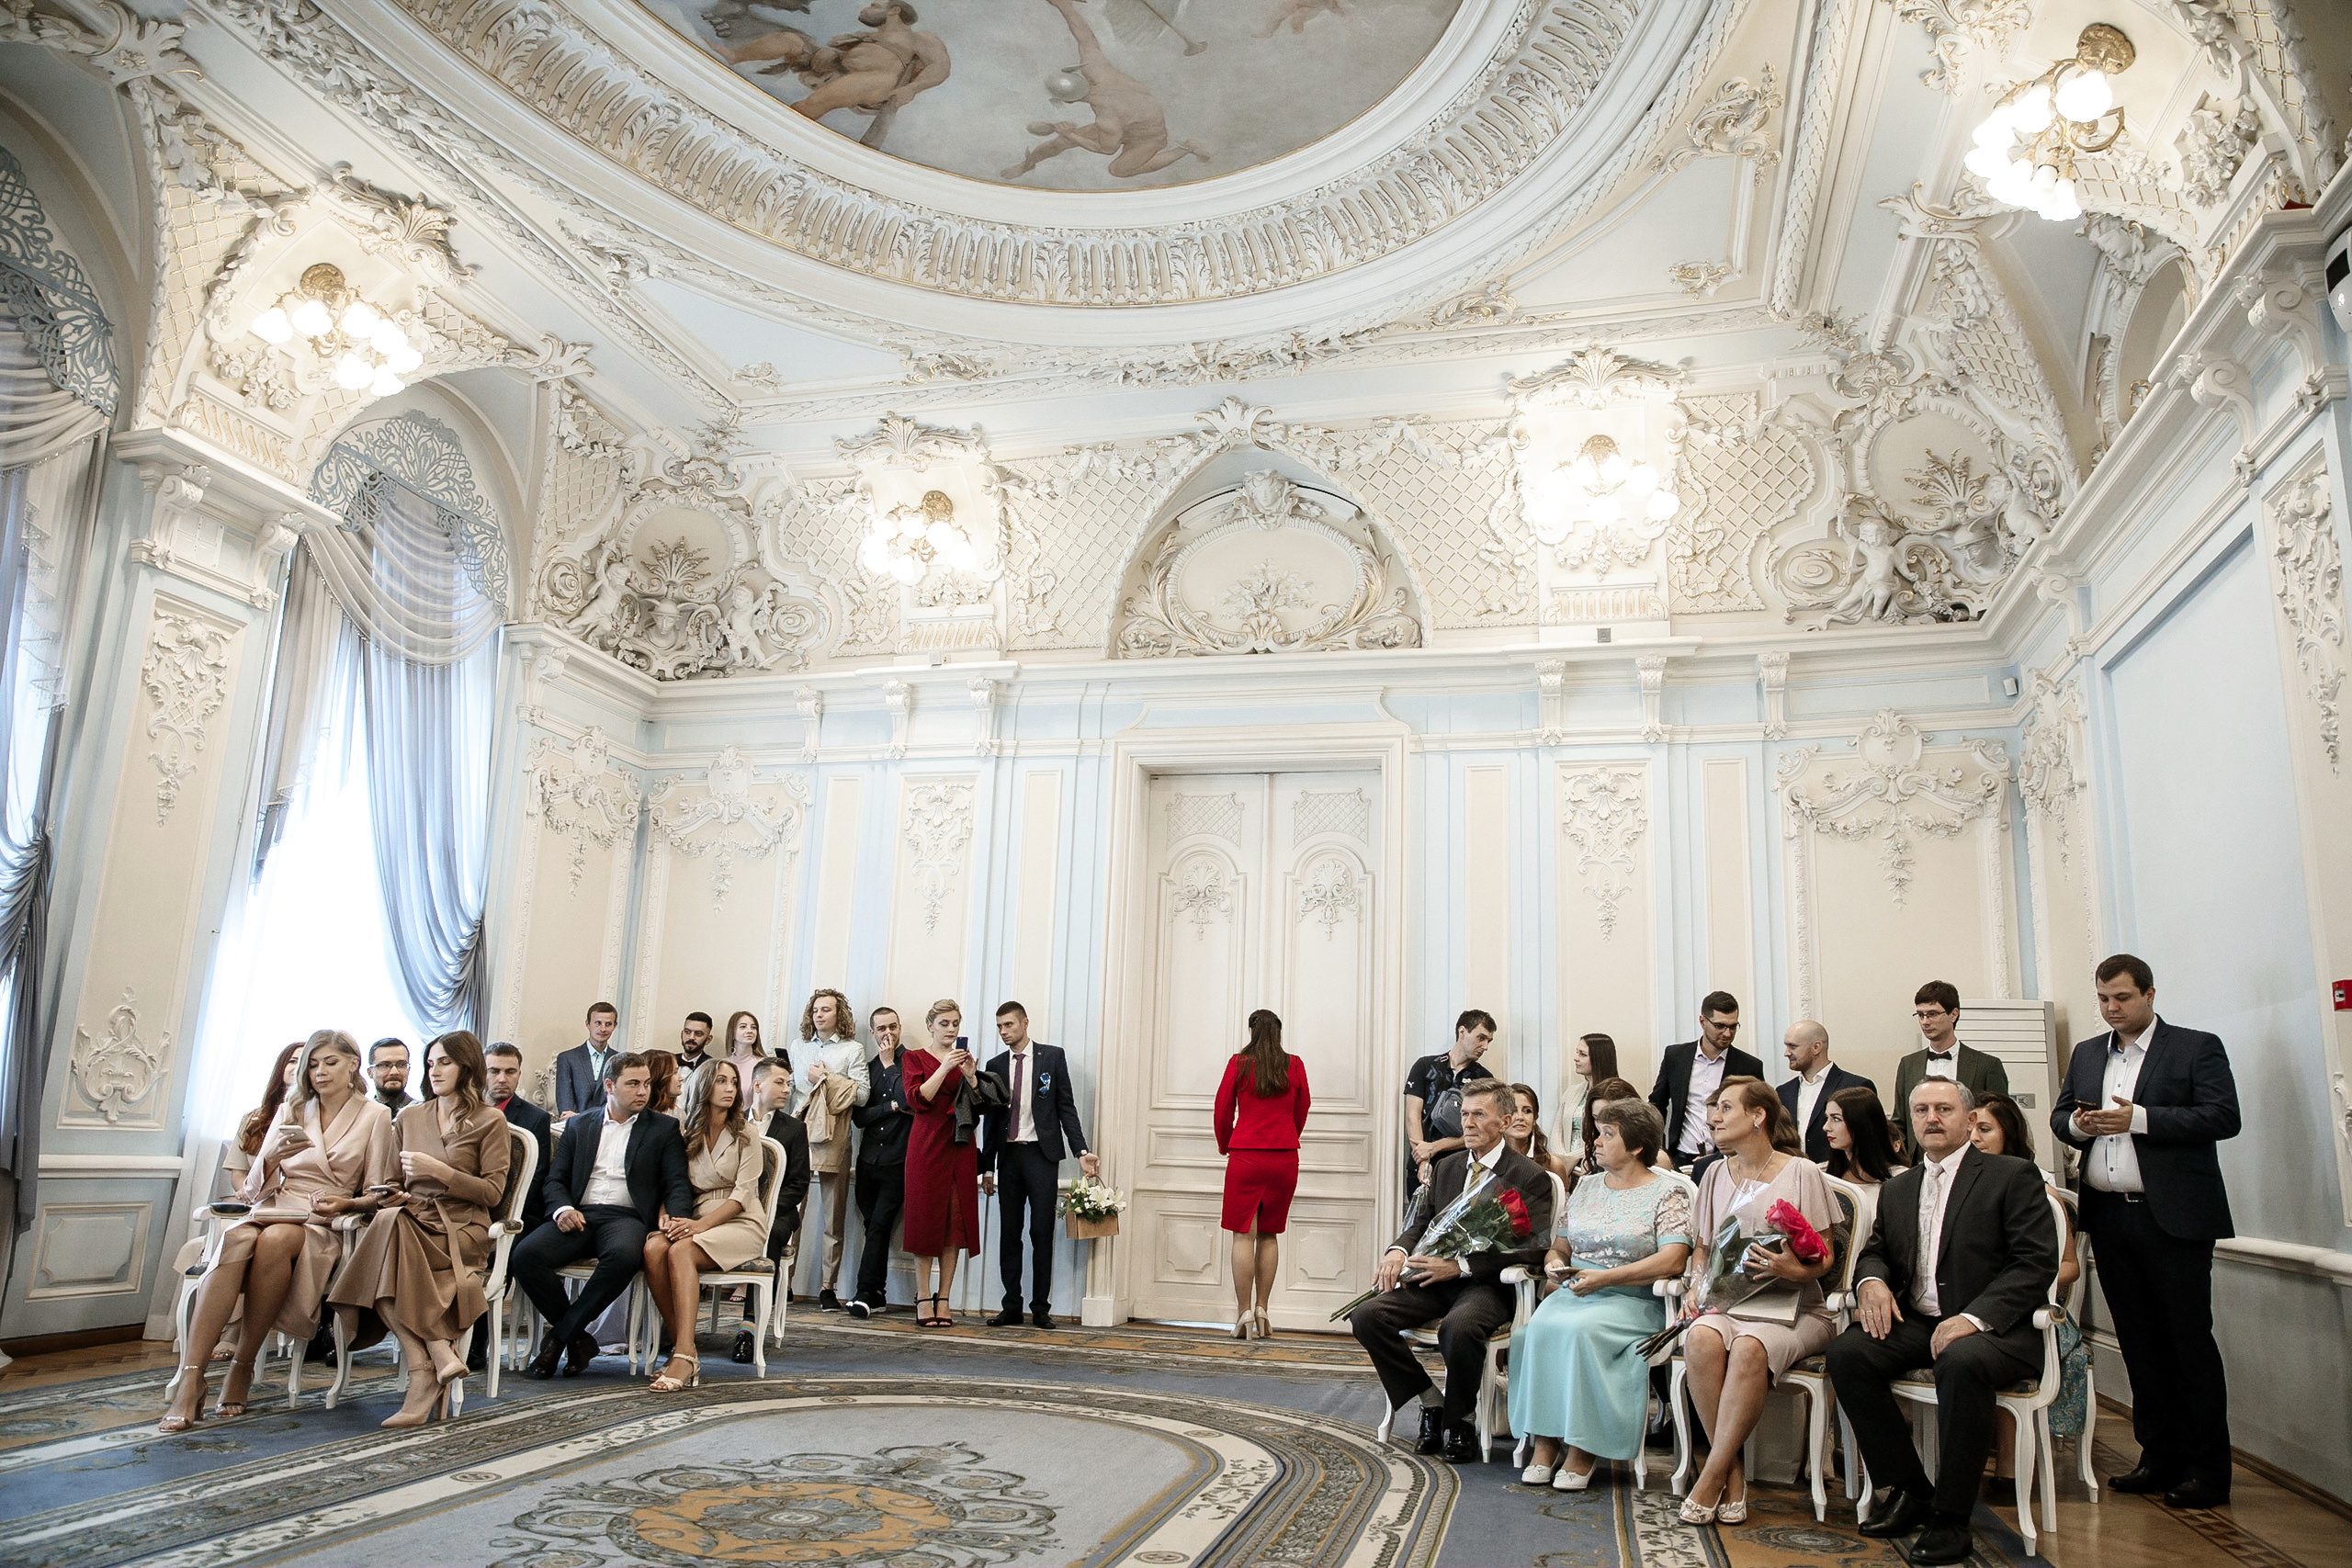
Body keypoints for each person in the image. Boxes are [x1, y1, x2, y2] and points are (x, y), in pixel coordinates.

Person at [1826, 1078, 2058, 1565]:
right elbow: (1877, 1252)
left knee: (1960, 1361)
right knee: (1848, 1352)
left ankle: (1952, 1519)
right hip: (1920, 1320)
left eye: (1944, 1109)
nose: (1932, 1118)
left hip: (1997, 1330)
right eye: (1921, 1109)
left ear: (1969, 1120)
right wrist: (1870, 1282)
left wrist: (1974, 1318)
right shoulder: (1900, 1187)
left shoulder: (2011, 1175)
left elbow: (2034, 1264)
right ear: (1909, 1120)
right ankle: (1911, 1487)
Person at [2050, 953, 2240, 1509]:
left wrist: (2139, 1119)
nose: (2111, 1009)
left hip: (2173, 1217)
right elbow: (2062, 1115)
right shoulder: (2088, 1053)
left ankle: (2208, 1471)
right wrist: (2078, 1126)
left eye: (2122, 998)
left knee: (2186, 1343)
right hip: (2108, 1215)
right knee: (2138, 1342)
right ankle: (2158, 1457)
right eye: (2103, 999)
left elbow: (2223, 1117)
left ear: (2150, 995)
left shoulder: (2194, 1046)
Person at [159, 1031, 395, 1433]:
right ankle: (192, 1376)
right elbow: (252, 1190)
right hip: (276, 1205)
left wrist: (346, 1204)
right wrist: (269, 1157)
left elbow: (378, 1193)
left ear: (354, 1064)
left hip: (324, 1219)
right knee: (237, 1237)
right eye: (314, 1064)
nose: (320, 1072)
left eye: (330, 1063)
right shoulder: (292, 1107)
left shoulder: (375, 1116)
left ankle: (242, 1365)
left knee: (276, 1239)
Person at [1350, 1078, 1555, 1464]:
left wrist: (1459, 1266)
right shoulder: (1446, 1167)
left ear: (1505, 1121)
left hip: (1487, 1285)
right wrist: (1397, 1250)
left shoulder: (1529, 1176)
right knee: (1366, 1317)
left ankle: (1462, 1418)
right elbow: (1421, 1221)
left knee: (1457, 1327)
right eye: (1464, 1114)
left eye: (1480, 1114)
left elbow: (1533, 1251)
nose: (1469, 1123)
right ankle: (1431, 1402)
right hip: (1432, 1278)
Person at [1677, 1077, 1837, 1524]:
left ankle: (1709, 1478)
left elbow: (1825, 1255)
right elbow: (1703, 1247)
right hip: (1729, 1306)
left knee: (1750, 1347)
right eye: (1713, 1109)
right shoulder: (1712, 1173)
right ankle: (1731, 1474)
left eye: (1725, 1108)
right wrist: (1695, 1285)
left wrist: (1792, 1270)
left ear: (1758, 1116)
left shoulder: (1801, 1172)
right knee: (1701, 1339)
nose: (1714, 1117)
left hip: (1794, 1309)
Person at [330, 1032, 510, 1427]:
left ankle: (425, 1366)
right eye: (430, 1063)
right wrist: (390, 1194)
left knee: (381, 1251)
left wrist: (442, 1173)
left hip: (460, 1228)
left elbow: (493, 1193)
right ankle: (431, 1357)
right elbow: (393, 1183)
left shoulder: (489, 1119)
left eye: (444, 1062)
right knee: (388, 1227)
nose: (435, 1070)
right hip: (412, 1220)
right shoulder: (410, 1117)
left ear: (466, 1066)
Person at [1510, 1098, 1691, 1490]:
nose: (1596, 1140)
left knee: (1581, 1332)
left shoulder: (1667, 1193)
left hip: (1636, 1300)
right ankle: (1544, 1442)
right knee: (1534, 1329)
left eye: (1609, 1134)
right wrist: (1556, 1264)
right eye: (1599, 1132)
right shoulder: (1586, 1187)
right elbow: (1560, 1245)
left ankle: (1583, 1448)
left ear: (1638, 1147)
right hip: (1576, 1292)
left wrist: (1607, 1280)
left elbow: (1674, 1260)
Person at [512, 1053, 694, 1378]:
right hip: (579, 1214)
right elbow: (556, 1179)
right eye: (633, 1084)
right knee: (526, 1255)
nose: (643, 1092)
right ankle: (580, 1339)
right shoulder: (580, 1125)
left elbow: (677, 1182)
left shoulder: (663, 1128)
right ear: (610, 1085)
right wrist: (563, 1208)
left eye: (647, 1084)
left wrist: (677, 1218)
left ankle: (558, 1338)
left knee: (624, 1256)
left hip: (626, 1217)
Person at [1970, 1090, 2088, 1495]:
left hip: (2033, 1308)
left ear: (2009, 1134)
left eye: (1985, 1129)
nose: (1974, 1138)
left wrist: (2019, 1282)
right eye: (1970, 1129)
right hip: (1972, 1305)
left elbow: (2070, 1266)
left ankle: (2011, 1473)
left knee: (2001, 1340)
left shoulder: (2040, 1191)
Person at [642, 1059, 770, 1391]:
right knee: (654, 1247)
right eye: (720, 1082)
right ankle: (686, 1350)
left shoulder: (746, 1133)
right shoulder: (686, 1134)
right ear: (704, 1087)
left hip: (741, 1222)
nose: (730, 1088)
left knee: (682, 1250)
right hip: (695, 1215)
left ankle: (682, 1355)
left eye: (733, 1082)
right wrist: (665, 1214)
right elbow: (673, 1182)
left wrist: (700, 1227)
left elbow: (743, 1196)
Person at [980, 1000, 1097, 1329]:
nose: (1004, 1032)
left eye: (1009, 1025)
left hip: (1042, 1156)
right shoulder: (995, 1065)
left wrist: (1081, 1151)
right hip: (1009, 1157)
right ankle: (1011, 1306)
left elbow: (1066, 1108)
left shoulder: (1052, 1057)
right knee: (1009, 1233)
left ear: (1025, 1023)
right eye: (1000, 1026)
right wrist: (988, 1167)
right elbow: (991, 1121)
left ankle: (1041, 1308)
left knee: (1041, 1232)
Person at [1214, 1009, 1311, 1339]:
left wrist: (1226, 1143)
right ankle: (1263, 1308)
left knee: (1244, 1235)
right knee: (1269, 1235)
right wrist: (1286, 1135)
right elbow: (1303, 1109)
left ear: (1252, 1030)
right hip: (1284, 1158)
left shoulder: (1238, 1064)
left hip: (1246, 1156)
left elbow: (1223, 1108)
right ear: (1278, 1032)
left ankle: (1243, 1313)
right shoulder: (1294, 1064)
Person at [470, 1042, 553, 1372]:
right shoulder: (466, 1110)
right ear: (482, 1072)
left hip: (517, 1213)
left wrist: (503, 1214)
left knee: (492, 1249)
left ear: (519, 1074)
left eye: (510, 1071)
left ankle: (476, 1346)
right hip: (469, 1207)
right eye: (494, 1071)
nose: (502, 1078)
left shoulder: (533, 1118)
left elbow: (536, 1177)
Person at [902, 999, 982, 1327]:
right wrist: (944, 1067)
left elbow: (979, 1106)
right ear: (931, 1025)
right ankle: (923, 1295)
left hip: (960, 1144)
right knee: (924, 1218)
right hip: (925, 1143)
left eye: (955, 1024)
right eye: (945, 1024)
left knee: (955, 1221)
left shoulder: (962, 1060)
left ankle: (944, 1297)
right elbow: (918, 1099)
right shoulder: (914, 1058)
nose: (951, 1030)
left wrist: (972, 1078)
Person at [731, 1057, 810, 1361]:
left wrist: (765, 1210)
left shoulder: (794, 1129)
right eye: (780, 1082)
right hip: (734, 1209)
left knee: (771, 1234)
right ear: (758, 1084)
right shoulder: (734, 1123)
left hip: (777, 1212)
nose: (787, 1089)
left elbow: (799, 1184)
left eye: (789, 1084)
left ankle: (750, 1325)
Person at [796, 988, 869, 1311]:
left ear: (839, 1014)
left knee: (833, 1215)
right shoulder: (798, 1047)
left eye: (826, 1010)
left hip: (836, 1135)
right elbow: (792, 1089)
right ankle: (783, 1279)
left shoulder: (853, 1049)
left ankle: (828, 1285)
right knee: (789, 1212)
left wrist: (826, 1077)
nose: (820, 1015)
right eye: (815, 1010)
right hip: (799, 1132)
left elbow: (863, 1095)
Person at [1648, 991, 1764, 1169]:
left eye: (1733, 1027)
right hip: (1680, 1156)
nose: (1727, 1033)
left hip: (1728, 1158)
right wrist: (1658, 1148)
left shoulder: (1749, 1066)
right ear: (1703, 1021)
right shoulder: (1676, 1056)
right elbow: (1657, 1104)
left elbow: (1757, 1116)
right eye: (1720, 1026)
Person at [848, 1006, 911, 1319]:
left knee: (879, 1225)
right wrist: (892, 1106)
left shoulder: (911, 1063)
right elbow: (859, 1117)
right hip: (868, 1161)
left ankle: (863, 1292)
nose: (888, 1034)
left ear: (900, 1028)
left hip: (898, 1161)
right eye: (881, 1029)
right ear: (872, 1033)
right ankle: (877, 1293)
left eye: (893, 1027)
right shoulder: (866, 1067)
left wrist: (890, 1068)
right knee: (873, 1226)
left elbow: (911, 1100)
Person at [1891, 982, 2009, 1143]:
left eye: (1932, 1014)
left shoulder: (1987, 1065)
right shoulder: (1908, 1064)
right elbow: (1900, 1121)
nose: (1925, 1022)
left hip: (1971, 1157)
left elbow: (2000, 1121)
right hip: (1920, 1160)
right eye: (1920, 1015)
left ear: (1953, 1014)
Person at [1403, 1010, 1496, 1202]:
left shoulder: (1484, 1079)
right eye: (1481, 1038)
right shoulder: (1425, 1066)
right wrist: (1424, 1159)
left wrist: (1435, 1147)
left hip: (1461, 1168)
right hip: (1420, 1164)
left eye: (1488, 1041)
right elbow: (1412, 1116)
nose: (1485, 1046)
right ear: (1462, 1032)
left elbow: (1481, 1131)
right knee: (1418, 1228)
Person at [1775, 1021, 1873, 1164]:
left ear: (1816, 1047)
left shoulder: (1856, 1086)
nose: (1786, 1053)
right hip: (1793, 1175)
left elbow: (1867, 1142)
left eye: (1793, 1047)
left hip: (1840, 1178)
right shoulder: (1784, 1091)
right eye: (1786, 1046)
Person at [220, 1042, 304, 1200]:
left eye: (306, 1062)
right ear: (281, 1067)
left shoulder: (317, 1118)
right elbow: (238, 1172)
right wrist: (247, 1192)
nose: (299, 1067)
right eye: (293, 1061)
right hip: (255, 1202)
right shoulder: (252, 1118)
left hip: (295, 1202)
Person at [1822, 1085, 1905, 1244]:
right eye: (1827, 1118)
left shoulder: (1901, 1180)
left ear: (1861, 1123)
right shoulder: (1821, 1174)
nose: (1826, 1127)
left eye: (1836, 1119)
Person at [1555, 1032, 1619, 1165]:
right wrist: (1561, 1158)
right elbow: (1557, 1130)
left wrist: (1571, 1159)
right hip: (1563, 1163)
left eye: (1582, 1055)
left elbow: (1609, 1136)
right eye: (1577, 1052)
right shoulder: (1572, 1091)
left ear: (1599, 1059)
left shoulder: (1616, 1095)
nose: (1575, 1058)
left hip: (1595, 1163)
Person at [554, 1002, 621, 1124]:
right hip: (574, 1130)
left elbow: (618, 1106)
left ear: (614, 1026)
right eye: (598, 1023)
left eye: (608, 1024)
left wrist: (580, 1116)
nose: (603, 1029)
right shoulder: (567, 1058)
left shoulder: (620, 1061)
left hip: (609, 1129)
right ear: (588, 1024)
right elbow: (565, 1110)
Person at [1577, 1075, 1646, 1174]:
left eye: (1608, 1119)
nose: (1601, 1126)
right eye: (1596, 1118)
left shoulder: (1656, 1159)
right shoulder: (1592, 1155)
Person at [1504, 1083, 1571, 1185]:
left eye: (1527, 1111)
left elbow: (1562, 1200)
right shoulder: (1489, 1159)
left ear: (1535, 1118)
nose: (1520, 1117)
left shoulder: (1553, 1164)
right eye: (1513, 1111)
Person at [368, 1038, 417, 1118]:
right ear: (370, 1072)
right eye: (385, 1065)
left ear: (408, 1070)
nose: (394, 1072)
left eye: (401, 1065)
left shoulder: (424, 1113)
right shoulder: (360, 1116)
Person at [724, 1009, 771, 1075]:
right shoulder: (722, 1065)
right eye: (743, 1027)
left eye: (753, 1027)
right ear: (732, 1032)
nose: (750, 1031)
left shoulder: (765, 1065)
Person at [644, 1048, 682, 1117]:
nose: (681, 1078)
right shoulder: (635, 1114)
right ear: (659, 1076)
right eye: (675, 1072)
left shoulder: (677, 1114)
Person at [675, 1011, 715, 1077]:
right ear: (682, 1034)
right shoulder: (667, 1061)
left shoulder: (712, 1066)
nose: (691, 1037)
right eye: (687, 1032)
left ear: (708, 1039)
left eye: (698, 1034)